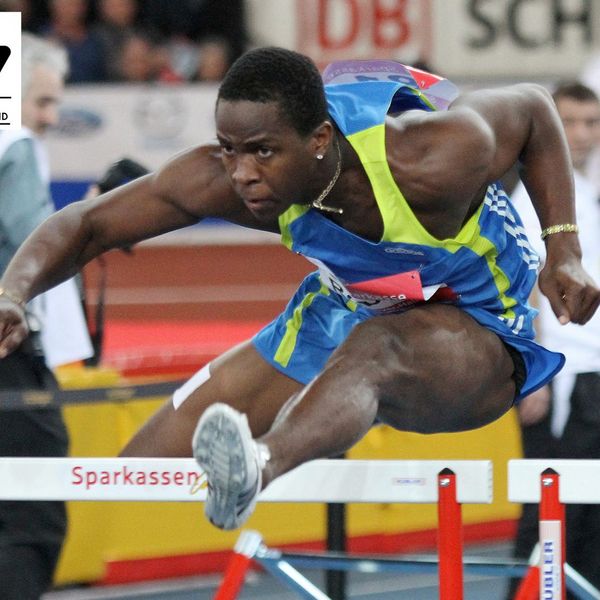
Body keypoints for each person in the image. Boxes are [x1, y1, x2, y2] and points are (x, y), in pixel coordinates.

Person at [0, 47, 599, 534]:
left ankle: (260, 466)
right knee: (139, 474)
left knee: (378, 347)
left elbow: (533, 108)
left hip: (479, 333)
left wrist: (564, 249)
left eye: (262, 152)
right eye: (231, 150)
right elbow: (87, 224)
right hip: (344, 310)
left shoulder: (428, 154)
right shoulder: (227, 180)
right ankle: (261, 455)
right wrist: (12, 292)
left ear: (319, 139)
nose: (243, 174)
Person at [0, 33, 92, 599]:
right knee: (32, 519)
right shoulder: (15, 144)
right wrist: (99, 220)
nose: (50, 117)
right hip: (10, 360)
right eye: (42, 101)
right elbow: (38, 245)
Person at [507, 81, 600, 596]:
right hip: (557, 379)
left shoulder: (585, 193)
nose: (582, 134)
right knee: (548, 516)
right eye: (570, 122)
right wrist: (531, 376)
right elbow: (519, 289)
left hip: (591, 377)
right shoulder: (531, 201)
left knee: (589, 519)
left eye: (591, 122)